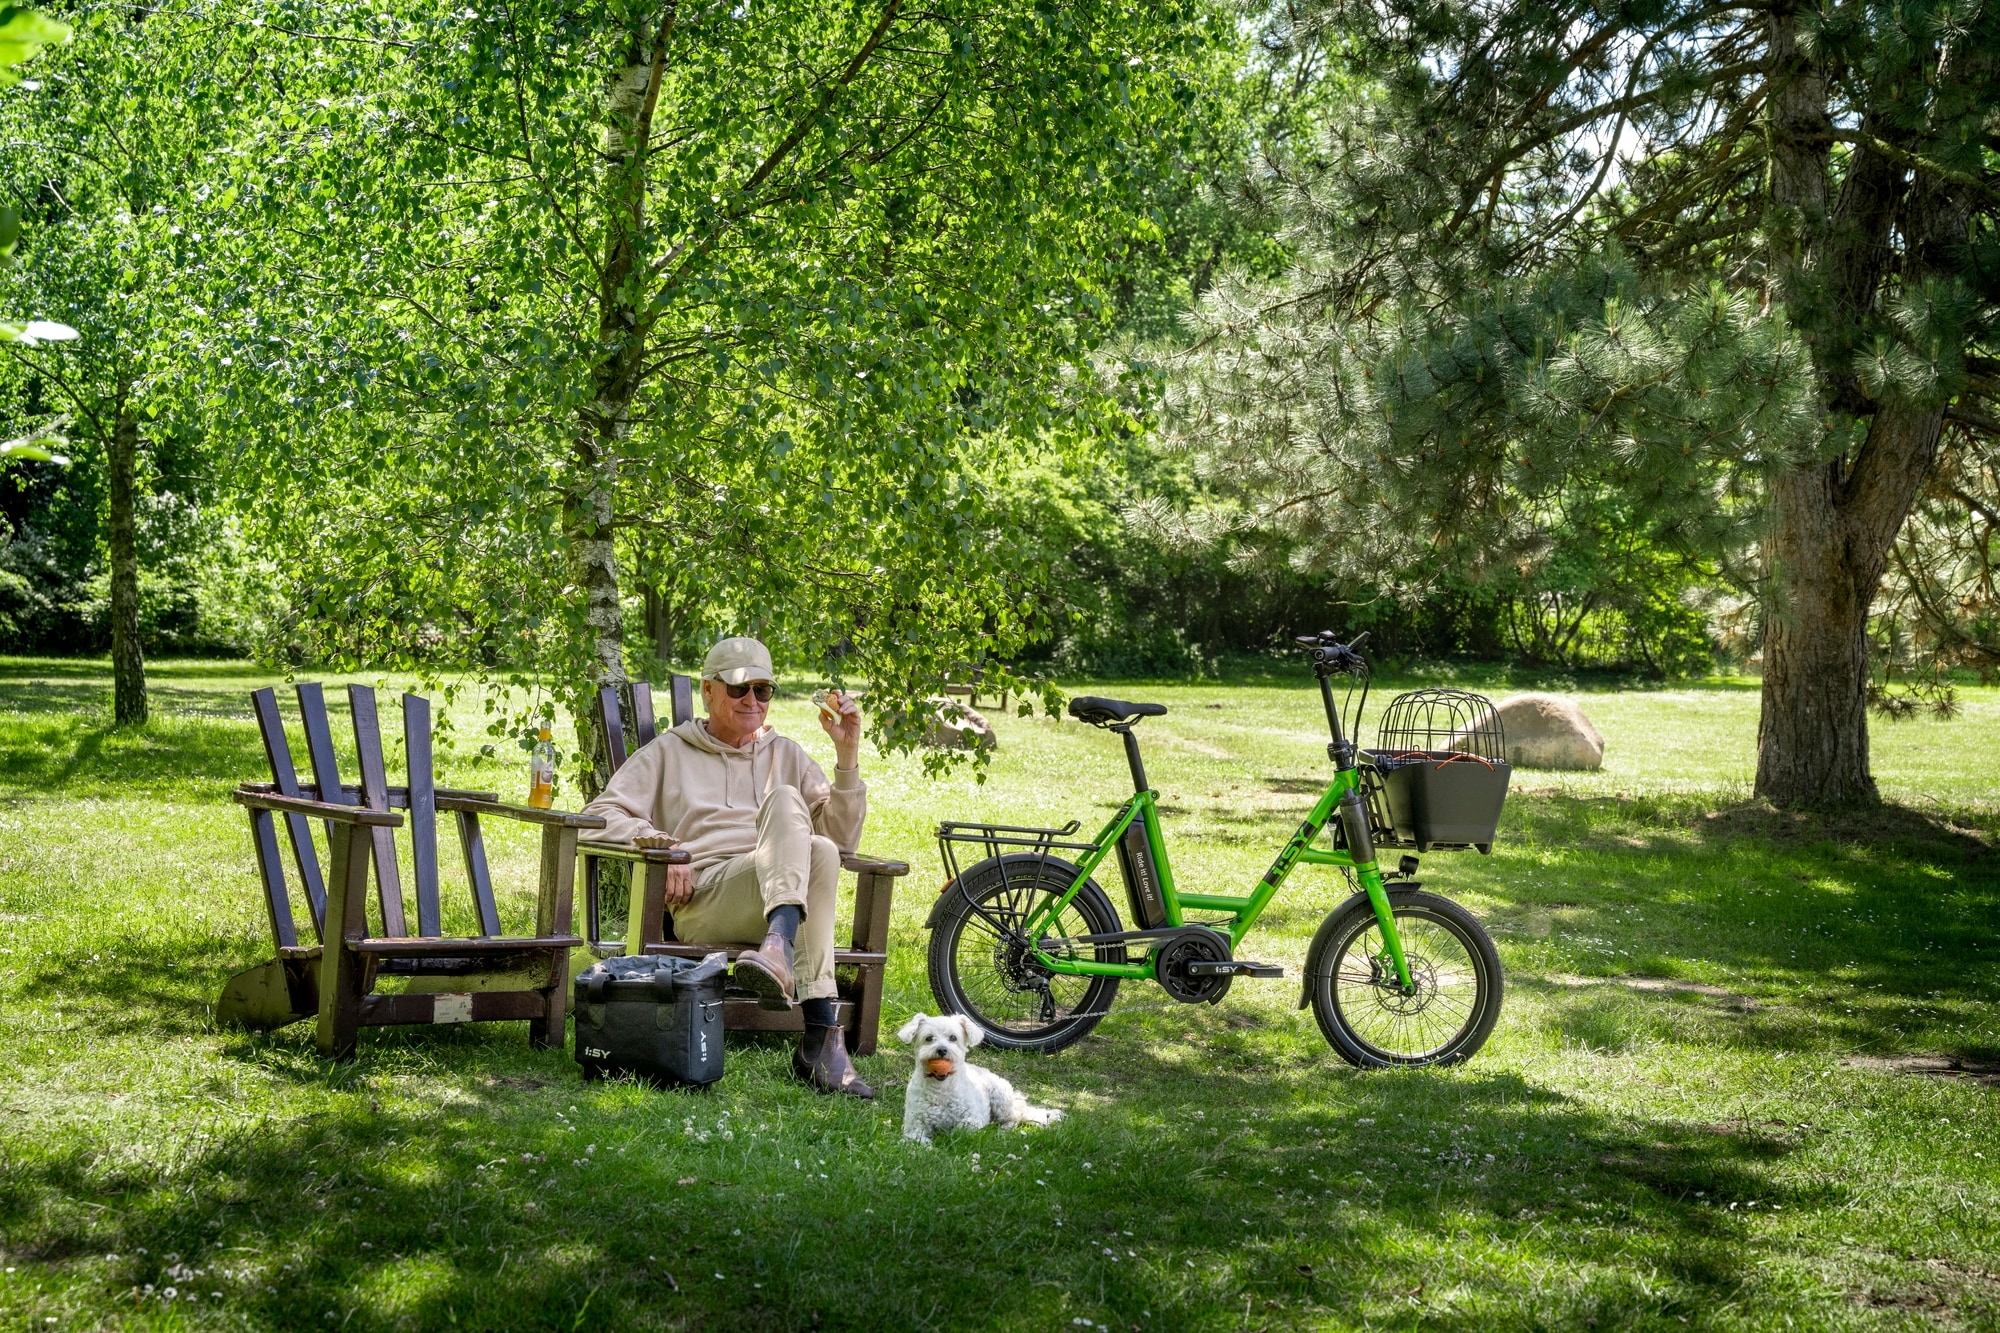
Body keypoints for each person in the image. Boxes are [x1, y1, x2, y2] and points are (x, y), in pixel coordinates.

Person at [582, 636, 873, 1098]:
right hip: (708, 897)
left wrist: (847, 755)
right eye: (739, 689)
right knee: (795, 813)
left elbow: (840, 840)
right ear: (709, 690)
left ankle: (812, 1019)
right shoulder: (669, 751)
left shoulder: (786, 755)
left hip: (782, 896)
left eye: (763, 690)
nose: (752, 701)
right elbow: (596, 819)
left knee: (819, 848)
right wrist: (661, 843)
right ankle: (817, 1026)